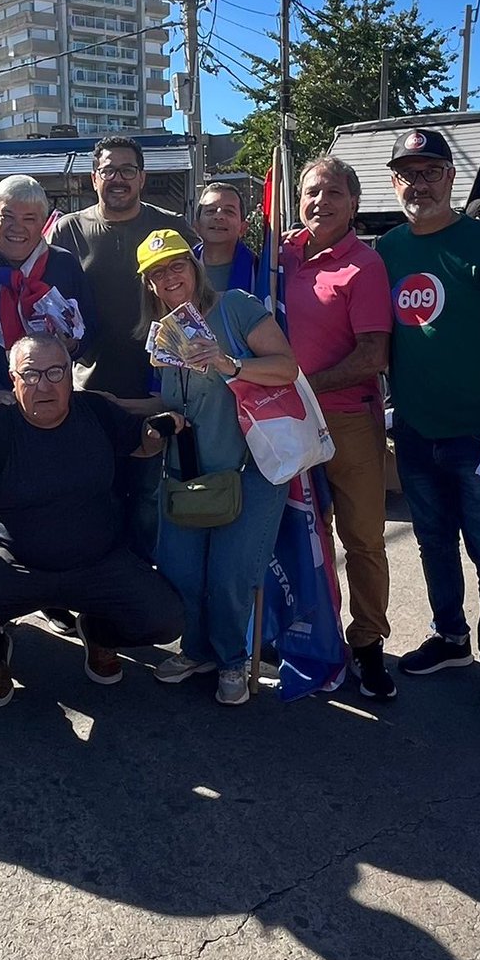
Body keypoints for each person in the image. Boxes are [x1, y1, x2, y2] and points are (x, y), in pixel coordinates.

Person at [0, 333, 185, 707]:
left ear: (70, 376)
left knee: (166, 618)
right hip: (15, 566)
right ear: (13, 380)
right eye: (30, 374)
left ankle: (99, 633)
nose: (43, 384)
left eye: (55, 372)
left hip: (99, 563)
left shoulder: (95, 411)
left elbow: (140, 443)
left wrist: (155, 434)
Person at [377, 129, 480, 730]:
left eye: (431, 172)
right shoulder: (388, 249)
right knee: (433, 543)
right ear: (395, 181)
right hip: (418, 432)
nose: (419, 183)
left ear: (452, 178)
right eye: (408, 173)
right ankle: (450, 637)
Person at [136, 229, 298, 706]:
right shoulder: (160, 335)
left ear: (195, 267)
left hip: (249, 469)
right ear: (149, 284)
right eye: (157, 272)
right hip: (187, 475)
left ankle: (231, 659)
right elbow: (160, 399)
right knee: (180, 571)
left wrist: (230, 365)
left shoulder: (235, 307)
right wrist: (113, 406)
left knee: (230, 576)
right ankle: (197, 650)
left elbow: (287, 367)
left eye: (177, 265)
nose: (170, 278)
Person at [48, 136, 200, 558]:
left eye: (127, 170)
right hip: (91, 391)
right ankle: (94, 597)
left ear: (142, 177)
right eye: (109, 170)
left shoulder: (169, 225)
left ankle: (140, 596)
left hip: (157, 388)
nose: (118, 179)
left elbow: (205, 282)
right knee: (92, 501)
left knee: (149, 504)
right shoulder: (68, 230)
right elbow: (38, 290)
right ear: (94, 177)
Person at [282, 156, 396, 700]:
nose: (319, 203)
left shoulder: (364, 266)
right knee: (305, 536)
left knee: (363, 539)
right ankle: (315, 636)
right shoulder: (282, 256)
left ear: (353, 203)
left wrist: (305, 384)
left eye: (331, 193)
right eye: (309, 193)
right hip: (288, 422)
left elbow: (372, 354)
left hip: (346, 419)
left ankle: (369, 642)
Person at [0, 174, 95, 407]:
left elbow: (89, 326)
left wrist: (73, 345)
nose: (18, 228)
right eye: (8, 216)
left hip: (49, 398)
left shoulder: (63, 264)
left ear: (43, 223)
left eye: (29, 219)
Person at [193, 182, 255, 293]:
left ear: (243, 228)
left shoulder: (259, 272)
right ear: (196, 226)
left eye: (229, 211)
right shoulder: (179, 271)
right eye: (210, 210)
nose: (219, 216)